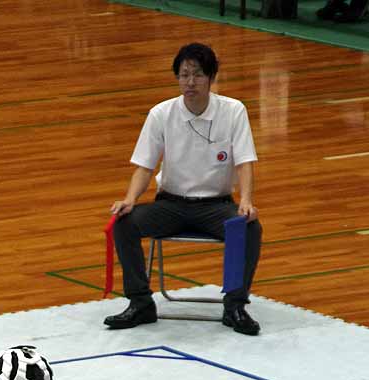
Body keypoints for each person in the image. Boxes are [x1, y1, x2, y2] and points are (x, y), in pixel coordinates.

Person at [105, 42, 262, 336]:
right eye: (184, 75)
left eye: (198, 75)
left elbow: (245, 163)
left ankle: (235, 306)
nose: (190, 82)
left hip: (216, 205)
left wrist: (246, 201)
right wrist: (129, 199)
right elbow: (144, 166)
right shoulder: (161, 114)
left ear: (211, 77)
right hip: (170, 205)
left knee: (250, 228)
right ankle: (140, 302)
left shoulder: (233, 111)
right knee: (124, 224)